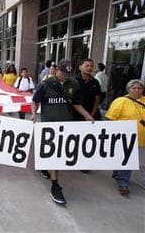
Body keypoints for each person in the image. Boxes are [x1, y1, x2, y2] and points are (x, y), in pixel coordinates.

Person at [30, 59, 94, 205]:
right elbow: (35, 100)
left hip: (66, 126)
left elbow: (76, 104)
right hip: (49, 126)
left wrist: (87, 115)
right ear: (56, 70)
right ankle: (55, 186)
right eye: (63, 72)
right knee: (54, 157)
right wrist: (34, 113)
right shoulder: (46, 84)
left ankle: (46, 169)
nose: (65, 76)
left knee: (57, 155)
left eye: (68, 73)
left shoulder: (74, 84)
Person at [105, 79, 145, 196]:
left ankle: (117, 173)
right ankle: (123, 183)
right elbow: (110, 119)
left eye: (139, 88)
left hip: (140, 138)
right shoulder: (121, 101)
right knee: (128, 160)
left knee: (124, 158)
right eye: (134, 88)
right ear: (128, 89)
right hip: (124, 137)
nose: (137, 90)